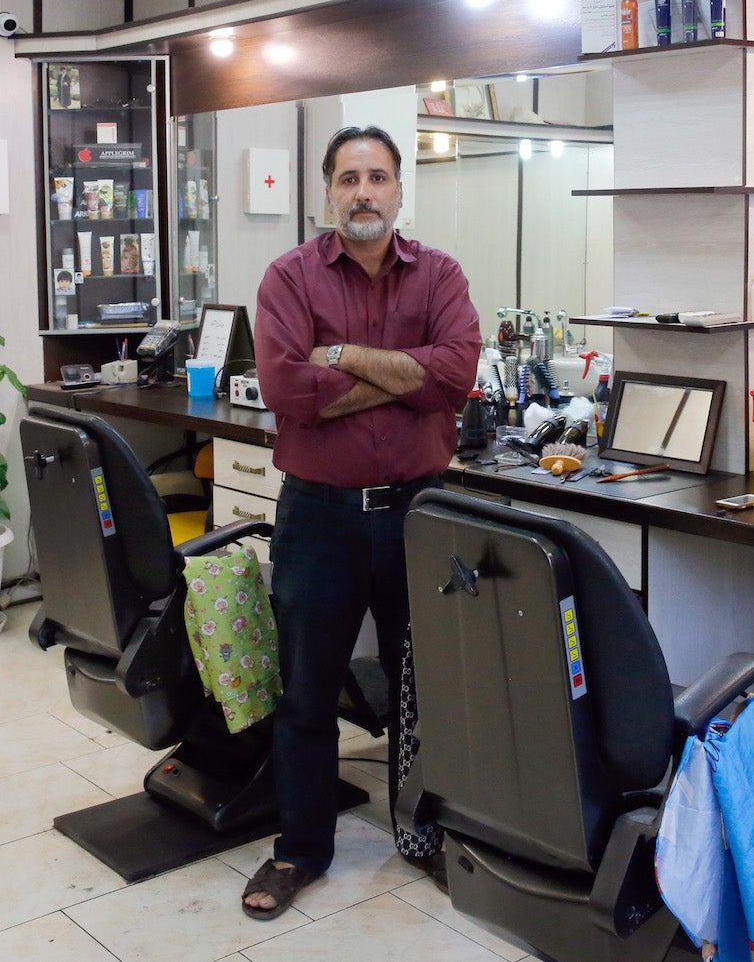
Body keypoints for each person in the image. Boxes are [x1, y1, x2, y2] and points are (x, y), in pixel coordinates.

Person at [243, 125, 480, 920]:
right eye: (349, 178)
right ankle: (299, 849)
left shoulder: (439, 273)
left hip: (419, 512)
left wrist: (340, 354)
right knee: (307, 691)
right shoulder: (289, 276)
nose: (364, 192)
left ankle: (427, 836)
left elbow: (457, 373)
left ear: (399, 190)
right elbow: (285, 385)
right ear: (328, 192)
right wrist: (409, 375)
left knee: (428, 685)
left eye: (378, 177)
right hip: (319, 515)